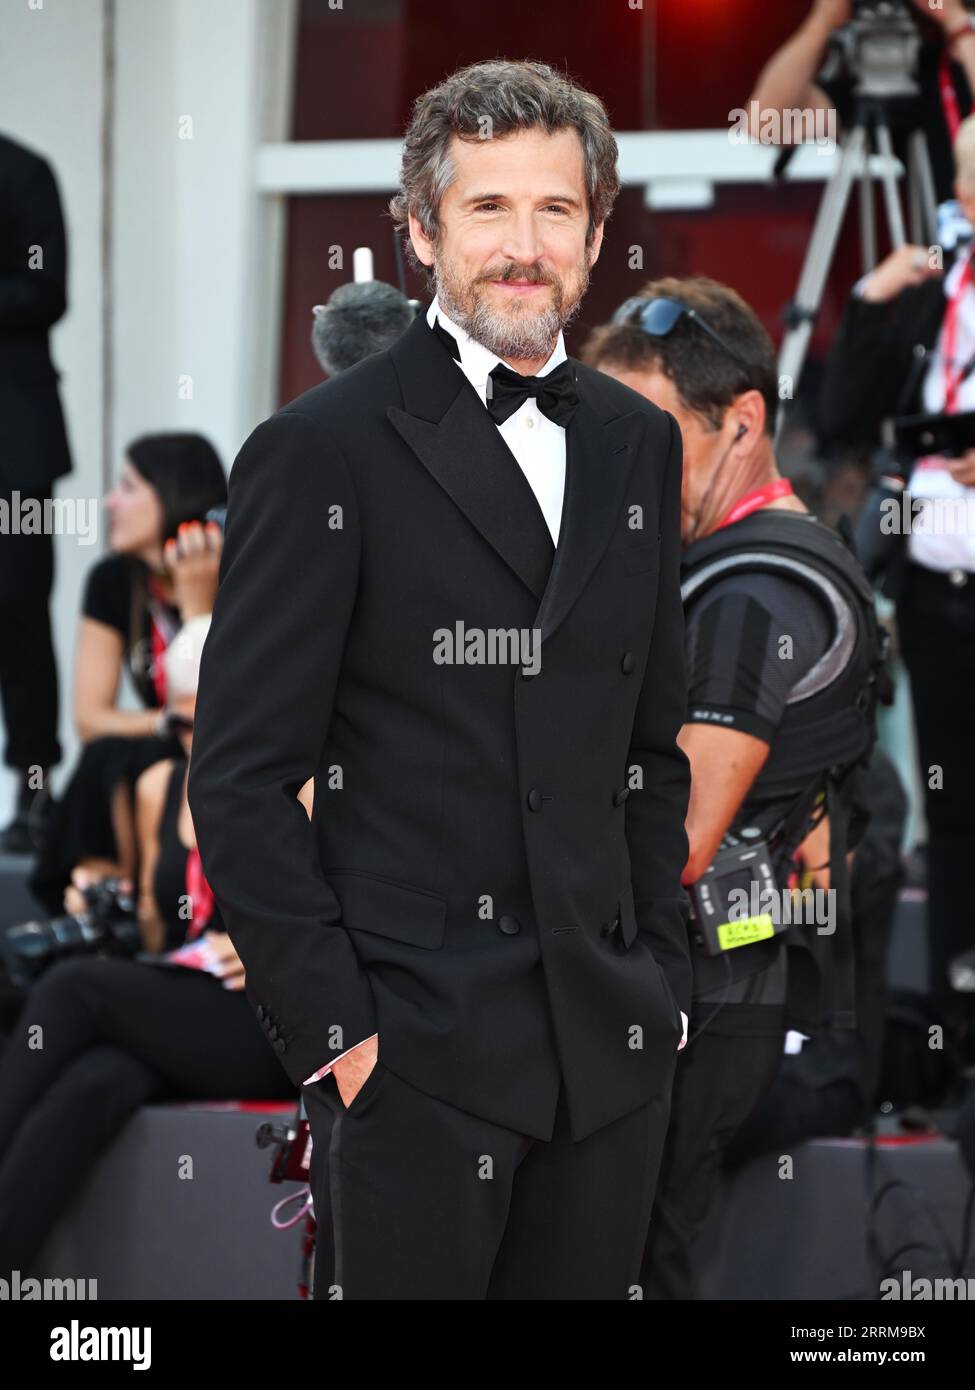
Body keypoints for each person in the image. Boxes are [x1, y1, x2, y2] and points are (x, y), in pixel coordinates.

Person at [188, 57, 692, 1301]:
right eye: (487, 209)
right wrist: (339, 1036)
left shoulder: (639, 443)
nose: (525, 247)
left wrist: (662, 986)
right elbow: (244, 778)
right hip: (415, 1058)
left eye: (556, 210)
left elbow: (651, 745)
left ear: (595, 232)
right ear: (419, 232)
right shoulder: (321, 450)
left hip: (610, 1052)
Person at [582, 275, 886, 1299]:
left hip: (710, 993)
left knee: (632, 1256)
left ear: (742, 422)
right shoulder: (741, 568)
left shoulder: (755, 594)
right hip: (719, 981)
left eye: (648, 432)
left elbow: (678, 843)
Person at [0, 615, 296, 1273]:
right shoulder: (156, 787)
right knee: (98, 1082)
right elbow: (164, 936)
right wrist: (101, 895)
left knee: (75, 990)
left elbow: (353, 917)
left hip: (271, 1022)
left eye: (202, 723)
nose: (189, 740)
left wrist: (275, 948)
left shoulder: (300, 788)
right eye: (176, 726)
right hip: (187, 1005)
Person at [820, 112, 975, 1038]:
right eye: (968, 180)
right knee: (952, 816)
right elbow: (844, 416)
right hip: (934, 587)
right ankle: (961, 1037)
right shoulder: (930, 281)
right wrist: (872, 306)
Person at [29, 434, 226, 915]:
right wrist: (170, 721)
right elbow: (91, 718)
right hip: (164, 740)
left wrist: (200, 606)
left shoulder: (237, 569)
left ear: (173, 492)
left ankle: (123, 904)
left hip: (224, 747)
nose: (109, 501)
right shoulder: (114, 581)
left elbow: (222, 709)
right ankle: (97, 894)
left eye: (128, 487)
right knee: (108, 754)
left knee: (125, 761)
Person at [0, 134, 73, 853]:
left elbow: (45, 291)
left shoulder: (21, 171)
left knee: (17, 614)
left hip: (11, 442)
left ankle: (35, 792)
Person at [748, 0, 975, 204]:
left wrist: (957, 22)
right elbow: (766, 123)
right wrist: (823, 22)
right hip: (937, 251)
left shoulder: (950, 66)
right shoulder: (915, 73)